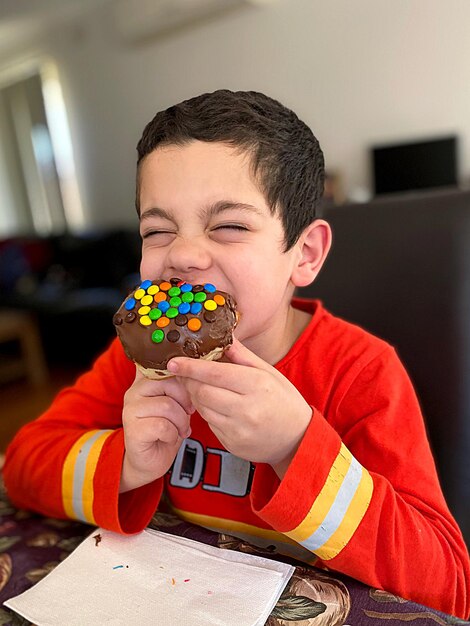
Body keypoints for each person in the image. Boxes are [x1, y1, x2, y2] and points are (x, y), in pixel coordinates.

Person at [3, 90, 469, 618]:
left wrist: (296, 447)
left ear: (305, 254)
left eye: (229, 226)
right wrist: (127, 461)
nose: (181, 254)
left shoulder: (361, 371)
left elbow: (447, 585)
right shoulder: (137, 361)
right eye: (158, 230)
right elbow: (21, 465)